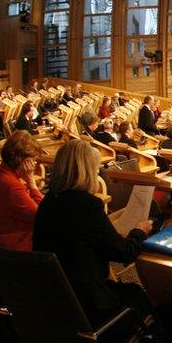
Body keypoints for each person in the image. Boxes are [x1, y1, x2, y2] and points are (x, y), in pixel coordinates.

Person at [33, 140, 154, 327]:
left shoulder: (48, 202)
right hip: (89, 305)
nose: (97, 174)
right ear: (85, 172)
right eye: (95, 170)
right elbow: (123, 253)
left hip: (56, 298)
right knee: (139, 296)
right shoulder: (87, 205)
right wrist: (139, 231)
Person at [0, 131, 44, 251]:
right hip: (14, 248)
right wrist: (31, 182)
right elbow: (40, 215)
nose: (34, 164)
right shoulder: (11, 185)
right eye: (32, 160)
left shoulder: (3, 170)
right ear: (22, 160)